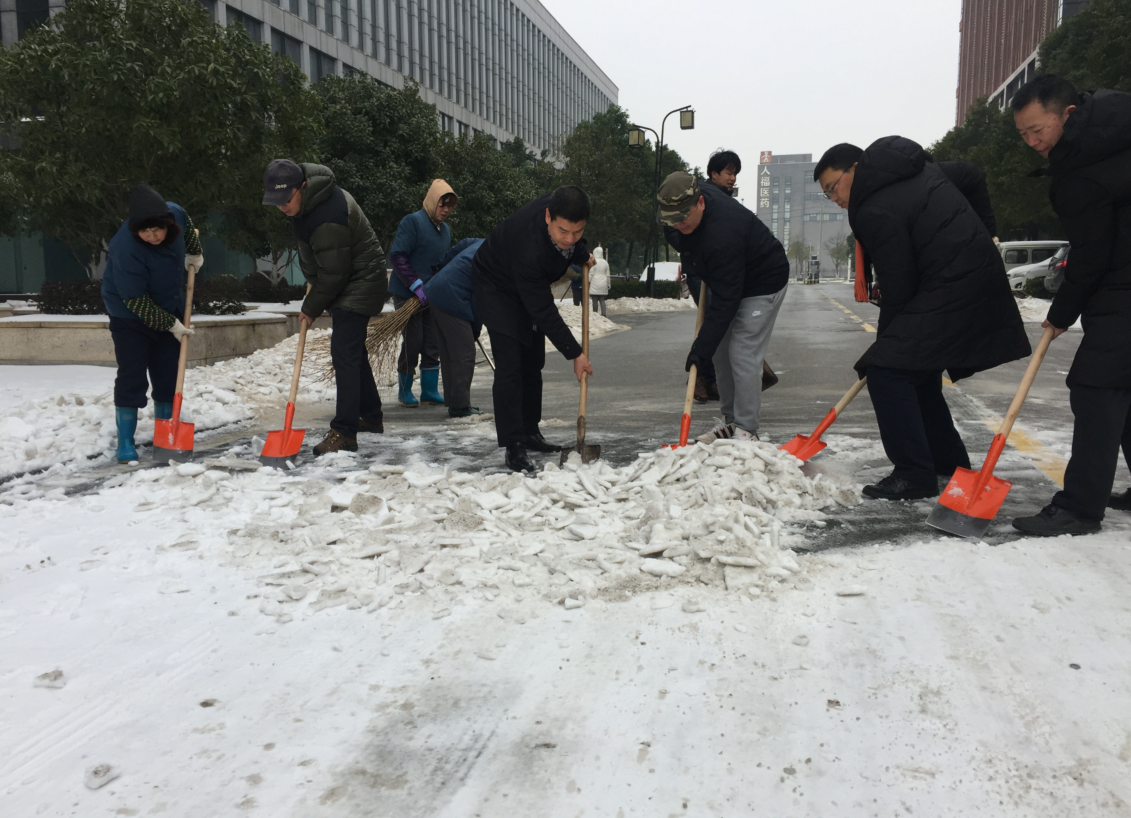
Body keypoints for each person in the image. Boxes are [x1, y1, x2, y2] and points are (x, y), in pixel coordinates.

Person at [814, 139, 1031, 501]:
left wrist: (885, 348)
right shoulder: (918, 169)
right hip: (970, 278)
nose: (834, 198)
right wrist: (988, 232)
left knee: (887, 371)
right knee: (916, 370)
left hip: (952, 286)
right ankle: (948, 462)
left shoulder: (874, 208)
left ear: (854, 168)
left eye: (833, 187)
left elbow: (899, 286)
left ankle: (914, 474)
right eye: (826, 194)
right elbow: (972, 174)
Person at [1009, 75, 1131, 535]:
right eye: (1023, 134)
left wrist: (1061, 313)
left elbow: (1092, 253)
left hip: (1124, 289)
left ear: (1069, 115)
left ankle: (1079, 508)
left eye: (1038, 130)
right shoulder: (1114, 129)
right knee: (1125, 389)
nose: (1032, 142)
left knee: (1096, 388)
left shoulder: (1083, 170)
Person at [262, 159, 387, 456]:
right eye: (276, 202)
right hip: (351, 279)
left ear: (302, 187)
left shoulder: (327, 215)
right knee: (352, 351)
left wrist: (312, 305)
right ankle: (370, 415)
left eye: (286, 200)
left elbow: (334, 273)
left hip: (359, 281)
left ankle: (344, 432)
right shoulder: (310, 201)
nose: (282, 207)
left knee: (344, 353)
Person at [472, 186, 595, 473]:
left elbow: (570, 244)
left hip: (527, 284)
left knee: (532, 361)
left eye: (576, 232)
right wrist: (575, 353)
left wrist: (581, 251)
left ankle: (530, 431)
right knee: (510, 365)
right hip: (497, 287)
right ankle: (514, 445)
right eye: (563, 231)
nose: (569, 239)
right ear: (548, 217)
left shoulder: (563, 211)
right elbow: (542, 309)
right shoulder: (528, 246)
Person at [660, 171, 789, 443]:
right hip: (726, 276)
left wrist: (698, 351)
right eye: (674, 221)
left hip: (763, 279)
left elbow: (726, 303)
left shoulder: (723, 234)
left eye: (684, 219)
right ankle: (731, 421)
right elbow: (677, 232)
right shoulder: (676, 208)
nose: (679, 225)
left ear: (701, 203)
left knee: (742, 350)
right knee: (720, 350)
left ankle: (746, 429)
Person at [101, 183, 202, 462]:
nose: (152, 236)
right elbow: (134, 299)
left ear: (168, 223)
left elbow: (189, 226)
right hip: (129, 312)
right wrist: (171, 324)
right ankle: (124, 442)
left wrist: (194, 252)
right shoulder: (125, 248)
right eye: (145, 231)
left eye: (158, 229)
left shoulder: (176, 214)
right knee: (133, 373)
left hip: (167, 302)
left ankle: (165, 437)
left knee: (168, 371)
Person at [389, 180, 457, 408]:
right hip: (407, 293)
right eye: (442, 205)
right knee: (413, 339)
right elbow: (398, 256)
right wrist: (415, 285)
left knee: (432, 341)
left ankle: (429, 391)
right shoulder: (413, 222)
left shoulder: (445, 231)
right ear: (431, 201)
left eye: (449, 206)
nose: (445, 210)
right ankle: (405, 390)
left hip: (431, 294)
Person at [422, 237, 485, 418]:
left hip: (436, 289)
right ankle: (460, 406)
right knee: (465, 353)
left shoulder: (482, 242)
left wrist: (441, 267)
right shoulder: (495, 259)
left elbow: (462, 245)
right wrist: (475, 328)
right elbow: (479, 297)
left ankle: (454, 402)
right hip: (452, 296)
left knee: (450, 352)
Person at [589, 246, 610, 317]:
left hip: (595, 282)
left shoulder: (594, 261)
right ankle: (604, 313)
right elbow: (608, 275)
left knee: (594, 299)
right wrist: (609, 283)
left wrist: (587, 281)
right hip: (603, 282)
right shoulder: (605, 262)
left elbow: (591, 273)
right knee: (602, 299)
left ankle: (595, 313)